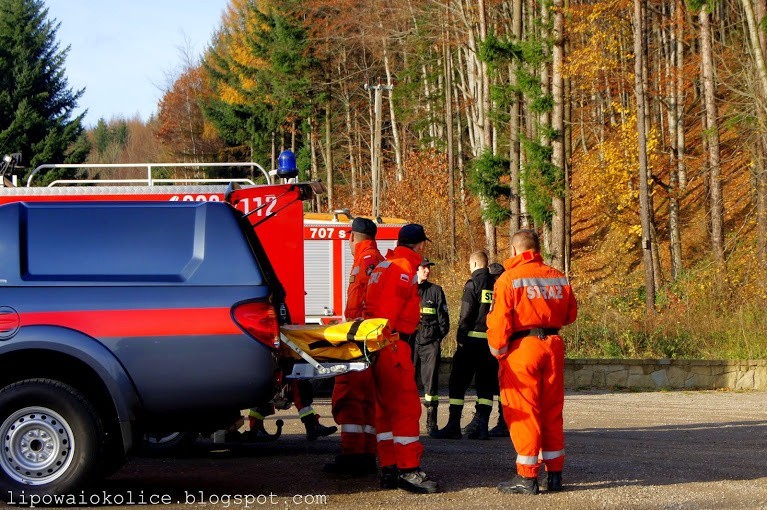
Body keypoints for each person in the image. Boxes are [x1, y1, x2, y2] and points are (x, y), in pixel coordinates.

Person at [486, 229, 577, 495]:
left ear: (514, 250)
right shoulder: (558, 276)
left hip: (522, 348)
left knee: (524, 411)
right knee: (551, 411)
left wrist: (499, 351)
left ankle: (526, 477)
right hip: (553, 346)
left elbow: (499, 323)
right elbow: (570, 314)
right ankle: (555, 474)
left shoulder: (508, 279)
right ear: (537, 249)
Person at [364, 223, 439, 494]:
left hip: (376, 345)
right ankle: (408, 471)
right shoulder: (404, 269)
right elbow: (389, 313)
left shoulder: (384, 265)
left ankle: (389, 469)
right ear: (419, 245)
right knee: (406, 410)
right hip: (393, 345)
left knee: (385, 413)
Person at [324, 217, 383, 476]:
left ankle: (354, 455)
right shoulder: (374, 258)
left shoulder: (366, 260)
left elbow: (366, 302)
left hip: (361, 338)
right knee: (366, 400)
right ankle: (365, 454)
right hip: (369, 337)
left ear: (352, 237)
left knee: (349, 395)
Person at [431, 250, 497, 441]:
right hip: (490, 342)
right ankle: (482, 426)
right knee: (485, 385)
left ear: (475, 264)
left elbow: (466, 313)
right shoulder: (497, 284)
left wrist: (460, 337)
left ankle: (454, 425)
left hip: (470, 342)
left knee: (458, 382)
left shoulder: (473, 283)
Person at [412, 258, 450, 434]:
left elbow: (444, 321)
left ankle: (431, 424)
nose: (427, 271)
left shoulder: (436, 291)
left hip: (430, 344)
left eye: (428, 268)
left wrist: (436, 339)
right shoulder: (407, 290)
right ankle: (408, 423)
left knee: (431, 385)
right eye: (424, 268)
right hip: (411, 343)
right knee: (407, 383)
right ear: (416, 270)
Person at [487, 262, 508, 438]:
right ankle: (503, 422)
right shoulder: (499, 290)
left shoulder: (502, 291)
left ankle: (504, 422)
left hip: (503, 347)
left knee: (504, 388)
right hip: (501, 346)